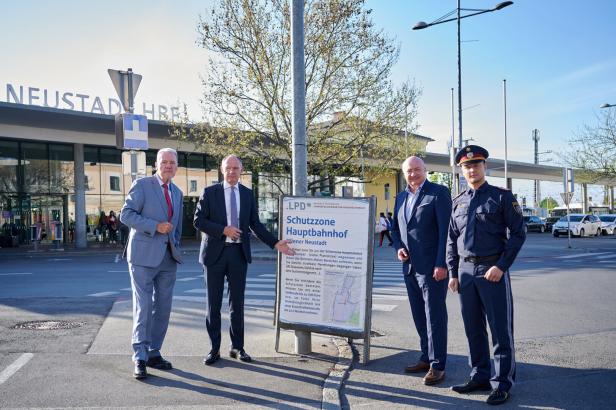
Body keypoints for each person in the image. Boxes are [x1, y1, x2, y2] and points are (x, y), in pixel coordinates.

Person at [194, 154, 295, 366]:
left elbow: (255, 224)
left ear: (241, 171)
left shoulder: (247, 194)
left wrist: (275, 243)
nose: (232, 172)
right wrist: (223, 230)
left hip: (238, 254)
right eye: (228, 168)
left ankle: (237, 347)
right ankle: (214, 349)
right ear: (222, 170)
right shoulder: (210, 192)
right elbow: (198, 221)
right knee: (213, 305)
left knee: (237, 304)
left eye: (235, 168)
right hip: (214, 255)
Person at [446, 145, 525, 405]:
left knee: (500, 330)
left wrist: (502, 266)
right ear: (461, 170)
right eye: (467, 166)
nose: (472, 169)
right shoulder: (458, 201)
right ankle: (479, 375)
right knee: (473, 329)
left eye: (476, 164)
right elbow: (451, 239)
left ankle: (502, 383)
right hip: (466, 273)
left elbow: (518, 234)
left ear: (484, 167)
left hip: (492, 270)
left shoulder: (501, 197)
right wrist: (453, 272)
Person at [120, 148, 184, 380]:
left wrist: (175, 246)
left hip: (168, 259)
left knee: (163, 308)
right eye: (164, 162)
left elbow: (176, 226)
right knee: (144, 306)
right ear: (156, 164)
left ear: (177, 167)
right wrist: (154, 226)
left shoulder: (177, 192)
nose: (168, 166)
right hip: (142, 257)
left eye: (172, 163)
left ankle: (154, 351)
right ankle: (140, 357)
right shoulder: (143, 185)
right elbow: (125, 214)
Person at [390, 156, 452, 386]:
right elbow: (395, 230)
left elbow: (446, 231)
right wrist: (398, 248)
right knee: (419, 315)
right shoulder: (401, 197)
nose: (413, 174)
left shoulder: (438, 193)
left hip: (431, 268)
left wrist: (442, 263)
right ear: (404, 173)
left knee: (434, 316)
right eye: (409, 171)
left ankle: (438, 365)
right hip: (409, 267)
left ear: (426, 170)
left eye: (417, 170)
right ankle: (426, 357)